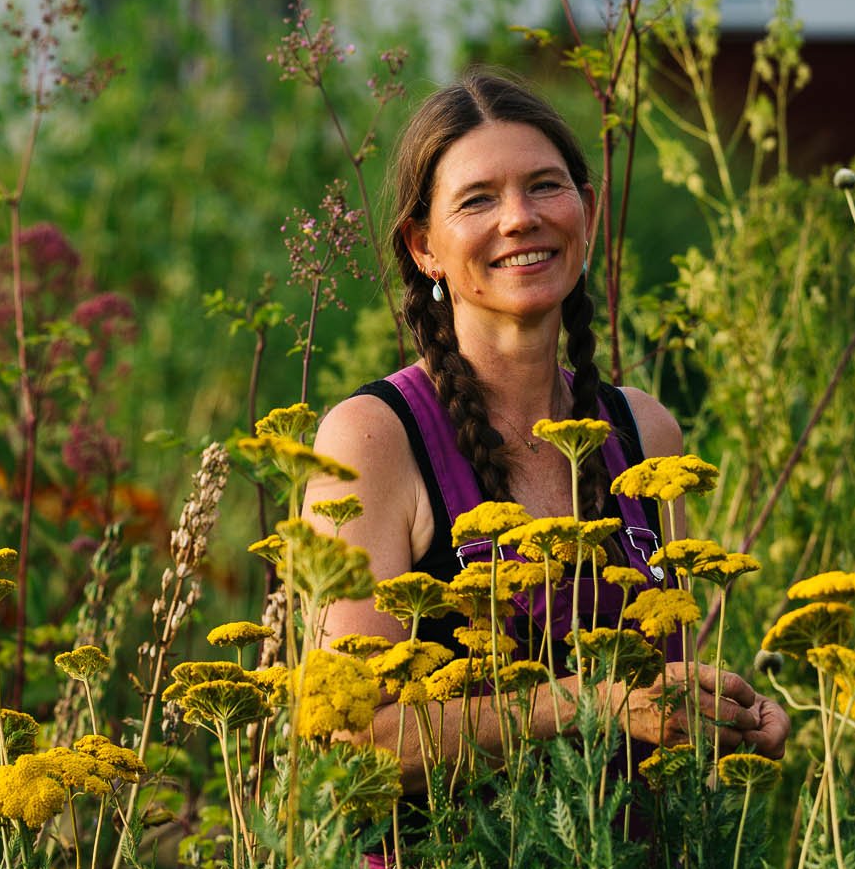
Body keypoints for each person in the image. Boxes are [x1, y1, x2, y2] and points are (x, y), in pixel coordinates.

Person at [303, 70, 790, 794]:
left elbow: (666, 691)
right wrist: (589, 704)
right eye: (477, 200)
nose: (519, 218)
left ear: (586, 213)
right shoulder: (373, 438)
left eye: (544, 187)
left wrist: (731, 718)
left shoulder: (644, 431)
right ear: (423, 246)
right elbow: (348, 744)